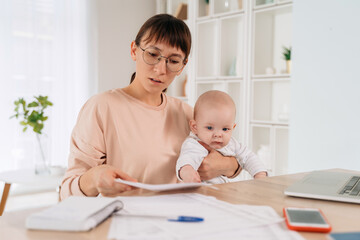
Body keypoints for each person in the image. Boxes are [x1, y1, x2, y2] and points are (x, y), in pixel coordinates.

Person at [60, 14, 241, 199]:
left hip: (183, 220)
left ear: (182, 66)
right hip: (126, 223)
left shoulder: (188, 115)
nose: (161, 69)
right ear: (134, 50)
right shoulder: (101, 108)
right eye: (153, 55)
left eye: (173, 61)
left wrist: (227, 166)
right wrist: (93, 179)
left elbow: (235, 155)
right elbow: (66, 193)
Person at [176, 90, 267, 184]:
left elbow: (248, 157)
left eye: (225, 129)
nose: (218, 134)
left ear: (233, 128)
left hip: (225, 192)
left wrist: (260, 174)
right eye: (210, 128)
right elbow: (187, 159)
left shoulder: (232, 143)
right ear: (195, 127)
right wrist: (188, 172)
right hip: (202, 193)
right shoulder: (194, 144)